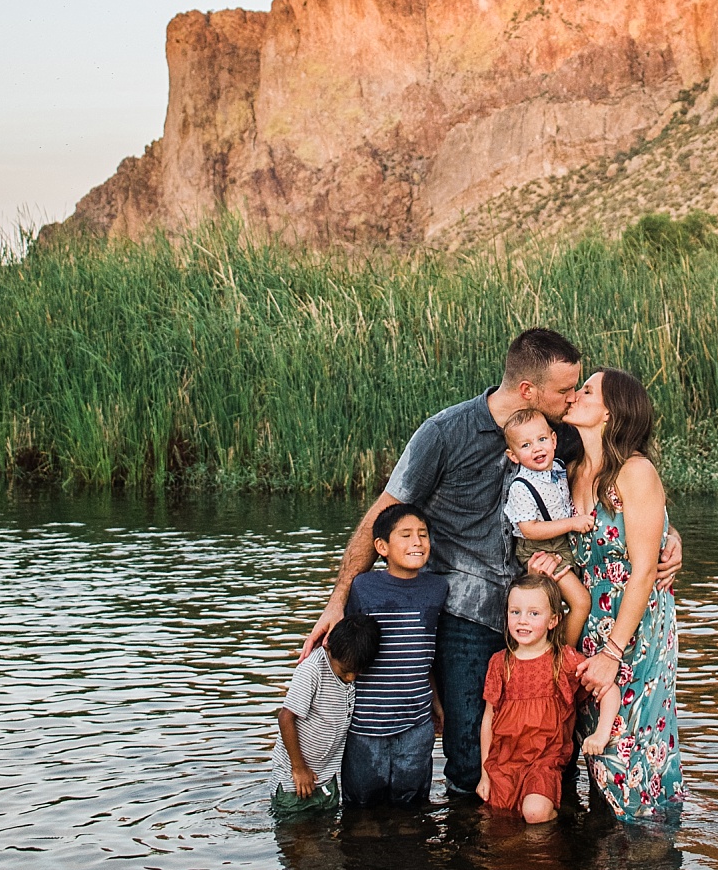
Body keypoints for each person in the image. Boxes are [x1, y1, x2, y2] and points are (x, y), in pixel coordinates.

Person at [301, 328, 683, 797]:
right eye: (565, 390)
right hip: (468, 616)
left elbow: (624, 495)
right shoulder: (444, 433)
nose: (570, 399)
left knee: (555, 744)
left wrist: (670, 536)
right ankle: (474, 857)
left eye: (577, 389)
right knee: (468, 751)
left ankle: (551, 854)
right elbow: (383, 514)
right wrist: (338, 601)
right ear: (528, 390)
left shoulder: (561, 436)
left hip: (544, 611)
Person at [560, 368, 685, 821]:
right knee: (594, 744)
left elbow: (645, 569)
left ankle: (649, 846)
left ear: (610, 413)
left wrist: (613, 651)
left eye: (587, 391)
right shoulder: (571, 469)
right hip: (586, 627)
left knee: (634, 744)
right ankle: (602, 860)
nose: (576, 395)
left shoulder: (635, 472)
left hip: (635, 632)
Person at [477, 572, 619, 825]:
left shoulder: (564, 660)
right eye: (515, 612)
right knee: (500, 823)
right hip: (504, 761)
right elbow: (489, 718)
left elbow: (608, 688)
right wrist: (484, 773)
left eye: (534, 613)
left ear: (553, 620)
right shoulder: (500, 663)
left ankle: (562, 823)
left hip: (544, 760)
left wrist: (601, 733)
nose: (523, 621)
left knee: (535, 813)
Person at [341, 503, 447, 807]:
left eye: (423, 535)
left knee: (412, 806)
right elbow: (348, 651)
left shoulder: (437, 587)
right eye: (406, 535)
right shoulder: (364, 586)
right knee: (361, 808)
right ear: (381, 547)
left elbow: (427, 654)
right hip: (366, 723)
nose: (417, 542)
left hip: (416, 721)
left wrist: (436, 702)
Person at [270, 613, 381, 819]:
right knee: (295, 839)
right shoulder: (312, 670)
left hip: (326, 779)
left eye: (356, 673)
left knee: (327, 840)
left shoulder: (350, 661)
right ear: (328, 649)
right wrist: (299, 768)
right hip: (293, 782)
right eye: (345, 671)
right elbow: (285, 718)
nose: (350, 678)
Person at [502, 408, 593, 646]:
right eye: (526, 445)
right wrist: (572, 523)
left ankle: (561, 644)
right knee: (581, 602)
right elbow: (529, 529)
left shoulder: (559, 469)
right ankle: (563, 657)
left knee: (567, 603)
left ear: (554, 440)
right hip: (538, 548)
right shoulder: (521, 487)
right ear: (513, 456)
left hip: (560, 542)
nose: (537, 449)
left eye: (542, 440)